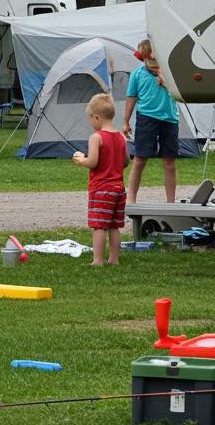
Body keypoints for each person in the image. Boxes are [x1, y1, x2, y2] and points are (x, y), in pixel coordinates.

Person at [72, 93, 129, 266]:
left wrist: (81, 160)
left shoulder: (96, 137)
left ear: (96, 117)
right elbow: (126, 161)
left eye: (90, 119)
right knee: (114, 226)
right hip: (119, 188)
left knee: (99, 226)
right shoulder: (122, 137)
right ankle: (114, 259)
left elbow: (93, 162)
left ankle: (97, 260)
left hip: (101, 188)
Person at [123, 38, 179, 203]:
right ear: (143, 59)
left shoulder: (170, 73)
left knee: (169, 163)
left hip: (170, 119)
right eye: (147, 59)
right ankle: (131, 199)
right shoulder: (137, 74)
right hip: (146, 119)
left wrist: (165, 81)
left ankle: (171, 202)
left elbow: (178, 93)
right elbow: (131, 98)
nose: (151, 63)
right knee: (140, 159)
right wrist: (125, 121)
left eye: (155, 59)